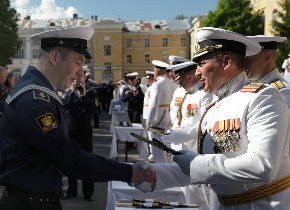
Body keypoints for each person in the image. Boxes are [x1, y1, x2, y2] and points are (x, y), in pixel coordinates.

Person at [0, 27, 155, 210]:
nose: (80, 71)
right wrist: (129, 172)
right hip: (28, 203)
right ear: (55, 57)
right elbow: (69, 158)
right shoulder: (34, 101)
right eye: (78, 62)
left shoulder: (38, 93)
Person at [137, 27, 290, 209]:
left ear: (226, 62)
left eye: (201, 64)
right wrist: (153, 174)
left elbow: (262, 165)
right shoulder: (215, 105)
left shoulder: (262, 97)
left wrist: (196, 164)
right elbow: (207, 163)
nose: (197, 73)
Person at [163, 61, 213, 210]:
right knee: (184, 192)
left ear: (191, 76)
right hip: (177, 147)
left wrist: (181, 134)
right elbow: (174, 114)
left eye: (182, 79)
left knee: (200, 195)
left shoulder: (204, 95)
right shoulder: (179, 92)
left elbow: (205, 124)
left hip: (195, 151)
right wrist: (173, 134)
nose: (179, 84)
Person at [62, 67, 96, 201]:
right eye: (75, 75)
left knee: (87, 163)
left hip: (85, 132)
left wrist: (84, 95)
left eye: (80, 76)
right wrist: (71, 92)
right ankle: (72, 190)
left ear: (84, 77)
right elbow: (65, 105)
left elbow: (93, 108)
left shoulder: (91, 91)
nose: (77, 78)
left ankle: (88, 192)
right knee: (71, 162)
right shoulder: (69, 92)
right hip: (72, 132)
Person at [245, 35, 290, 108]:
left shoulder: (281, 92)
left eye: (248, 60)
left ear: (268, 57)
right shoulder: (248, 85)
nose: (244, 64)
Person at [146, 60, 176, 163]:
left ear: (157, 70)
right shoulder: (171, 82)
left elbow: (153, 106)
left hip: (158, 120)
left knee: (158, 152)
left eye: (154, 69)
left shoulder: (157, 84)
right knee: (168, 149)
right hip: (169, 118)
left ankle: (161, 174)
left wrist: (148, 123)